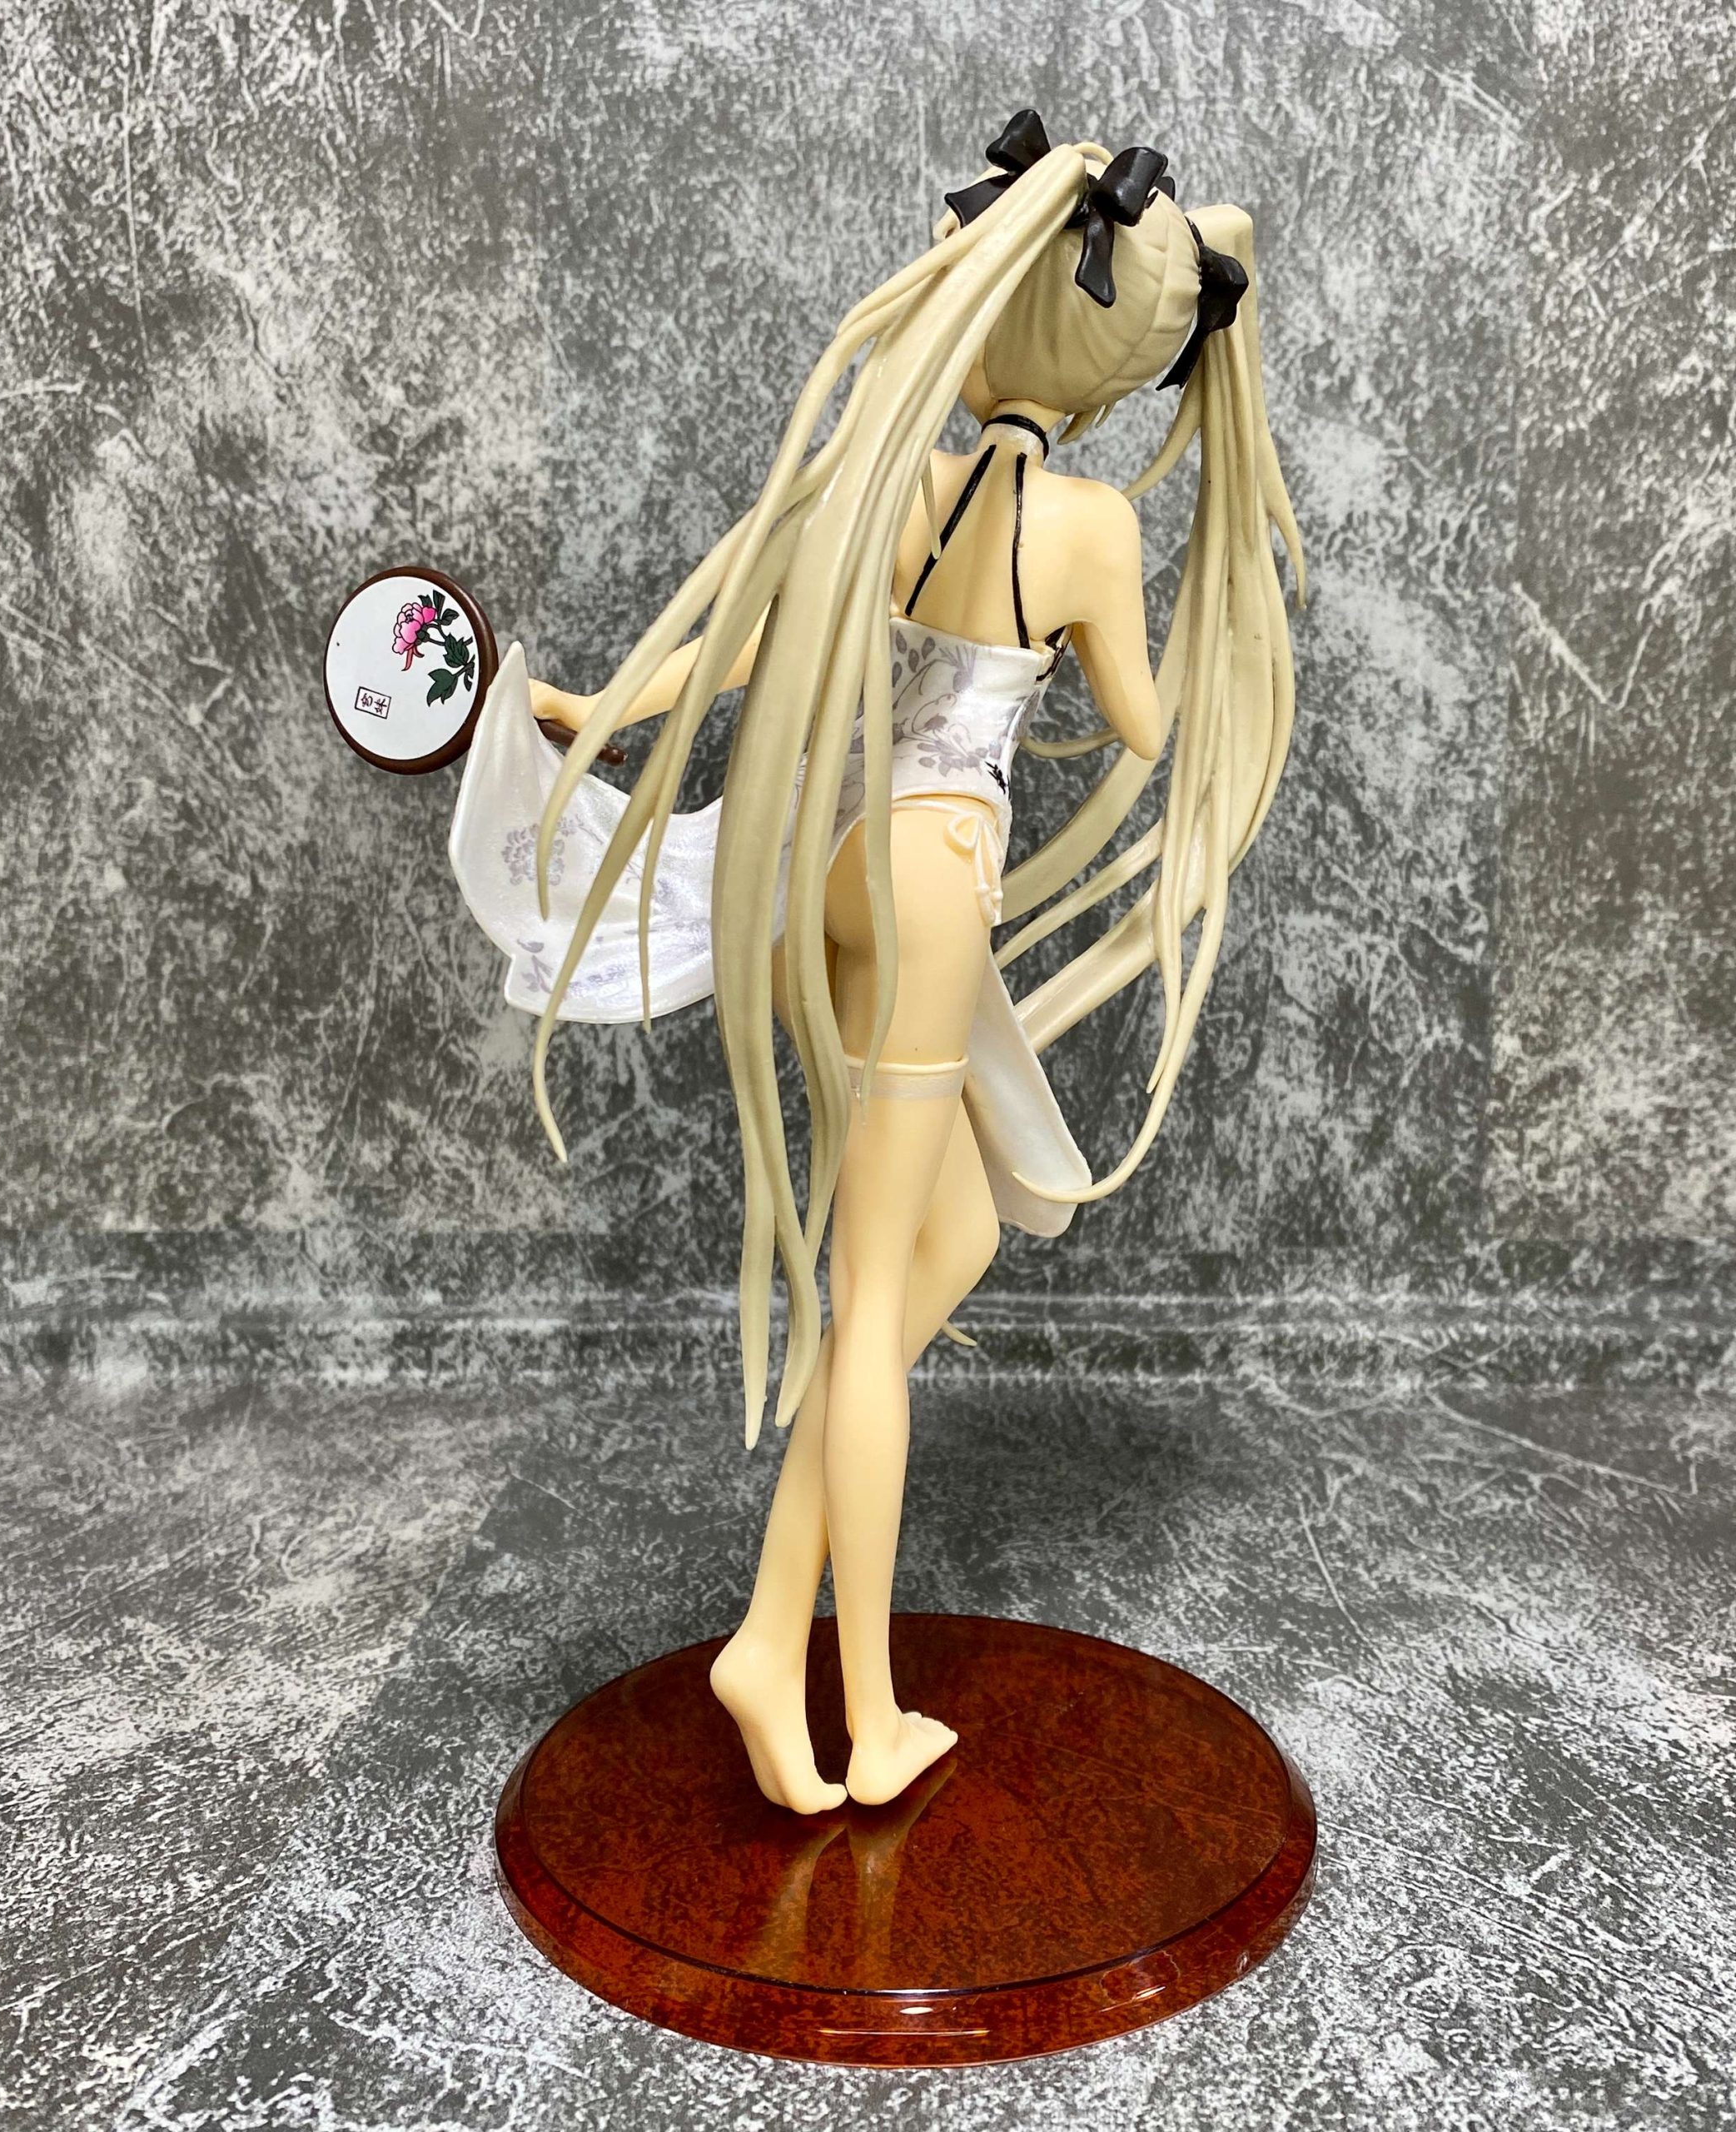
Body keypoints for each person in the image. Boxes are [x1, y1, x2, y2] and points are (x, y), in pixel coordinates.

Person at [450, 112, 1301, 1811]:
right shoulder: (1087, 530)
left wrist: (593, 709)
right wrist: (1193, 661)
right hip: (932, 881)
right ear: (1113, 371)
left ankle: (770, 1635)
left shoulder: (897, 479)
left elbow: (745, 647)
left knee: (952, 1238)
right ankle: (864, 1709)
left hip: (839, 859)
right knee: (864, 1316)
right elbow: (1142, 729)